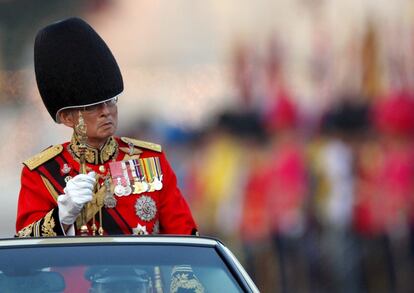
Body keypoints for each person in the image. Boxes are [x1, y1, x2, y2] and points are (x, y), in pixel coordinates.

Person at [15, 17, 198, 237]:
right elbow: (24, 253)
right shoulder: (43, 173)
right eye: (93, 106)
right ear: (67, 117)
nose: (106, 111)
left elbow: (185, 236)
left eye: (110, 101)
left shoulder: (150, 160)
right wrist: (61, 218)